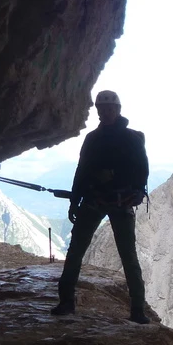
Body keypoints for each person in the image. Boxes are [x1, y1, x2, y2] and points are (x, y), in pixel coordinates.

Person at [51, 90, 151, 324]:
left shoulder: (126, 139)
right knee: (77, 252)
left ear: (117, 109)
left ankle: (137, 309)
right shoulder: (100, 139)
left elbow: (140, 174)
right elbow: (82, 170)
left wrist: (79, 200)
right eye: (101, 109)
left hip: (110, 200)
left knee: (125, 256)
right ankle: (67, 301)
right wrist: (75, 200)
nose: (105, 112)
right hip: (104, 200)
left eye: (108, 109)